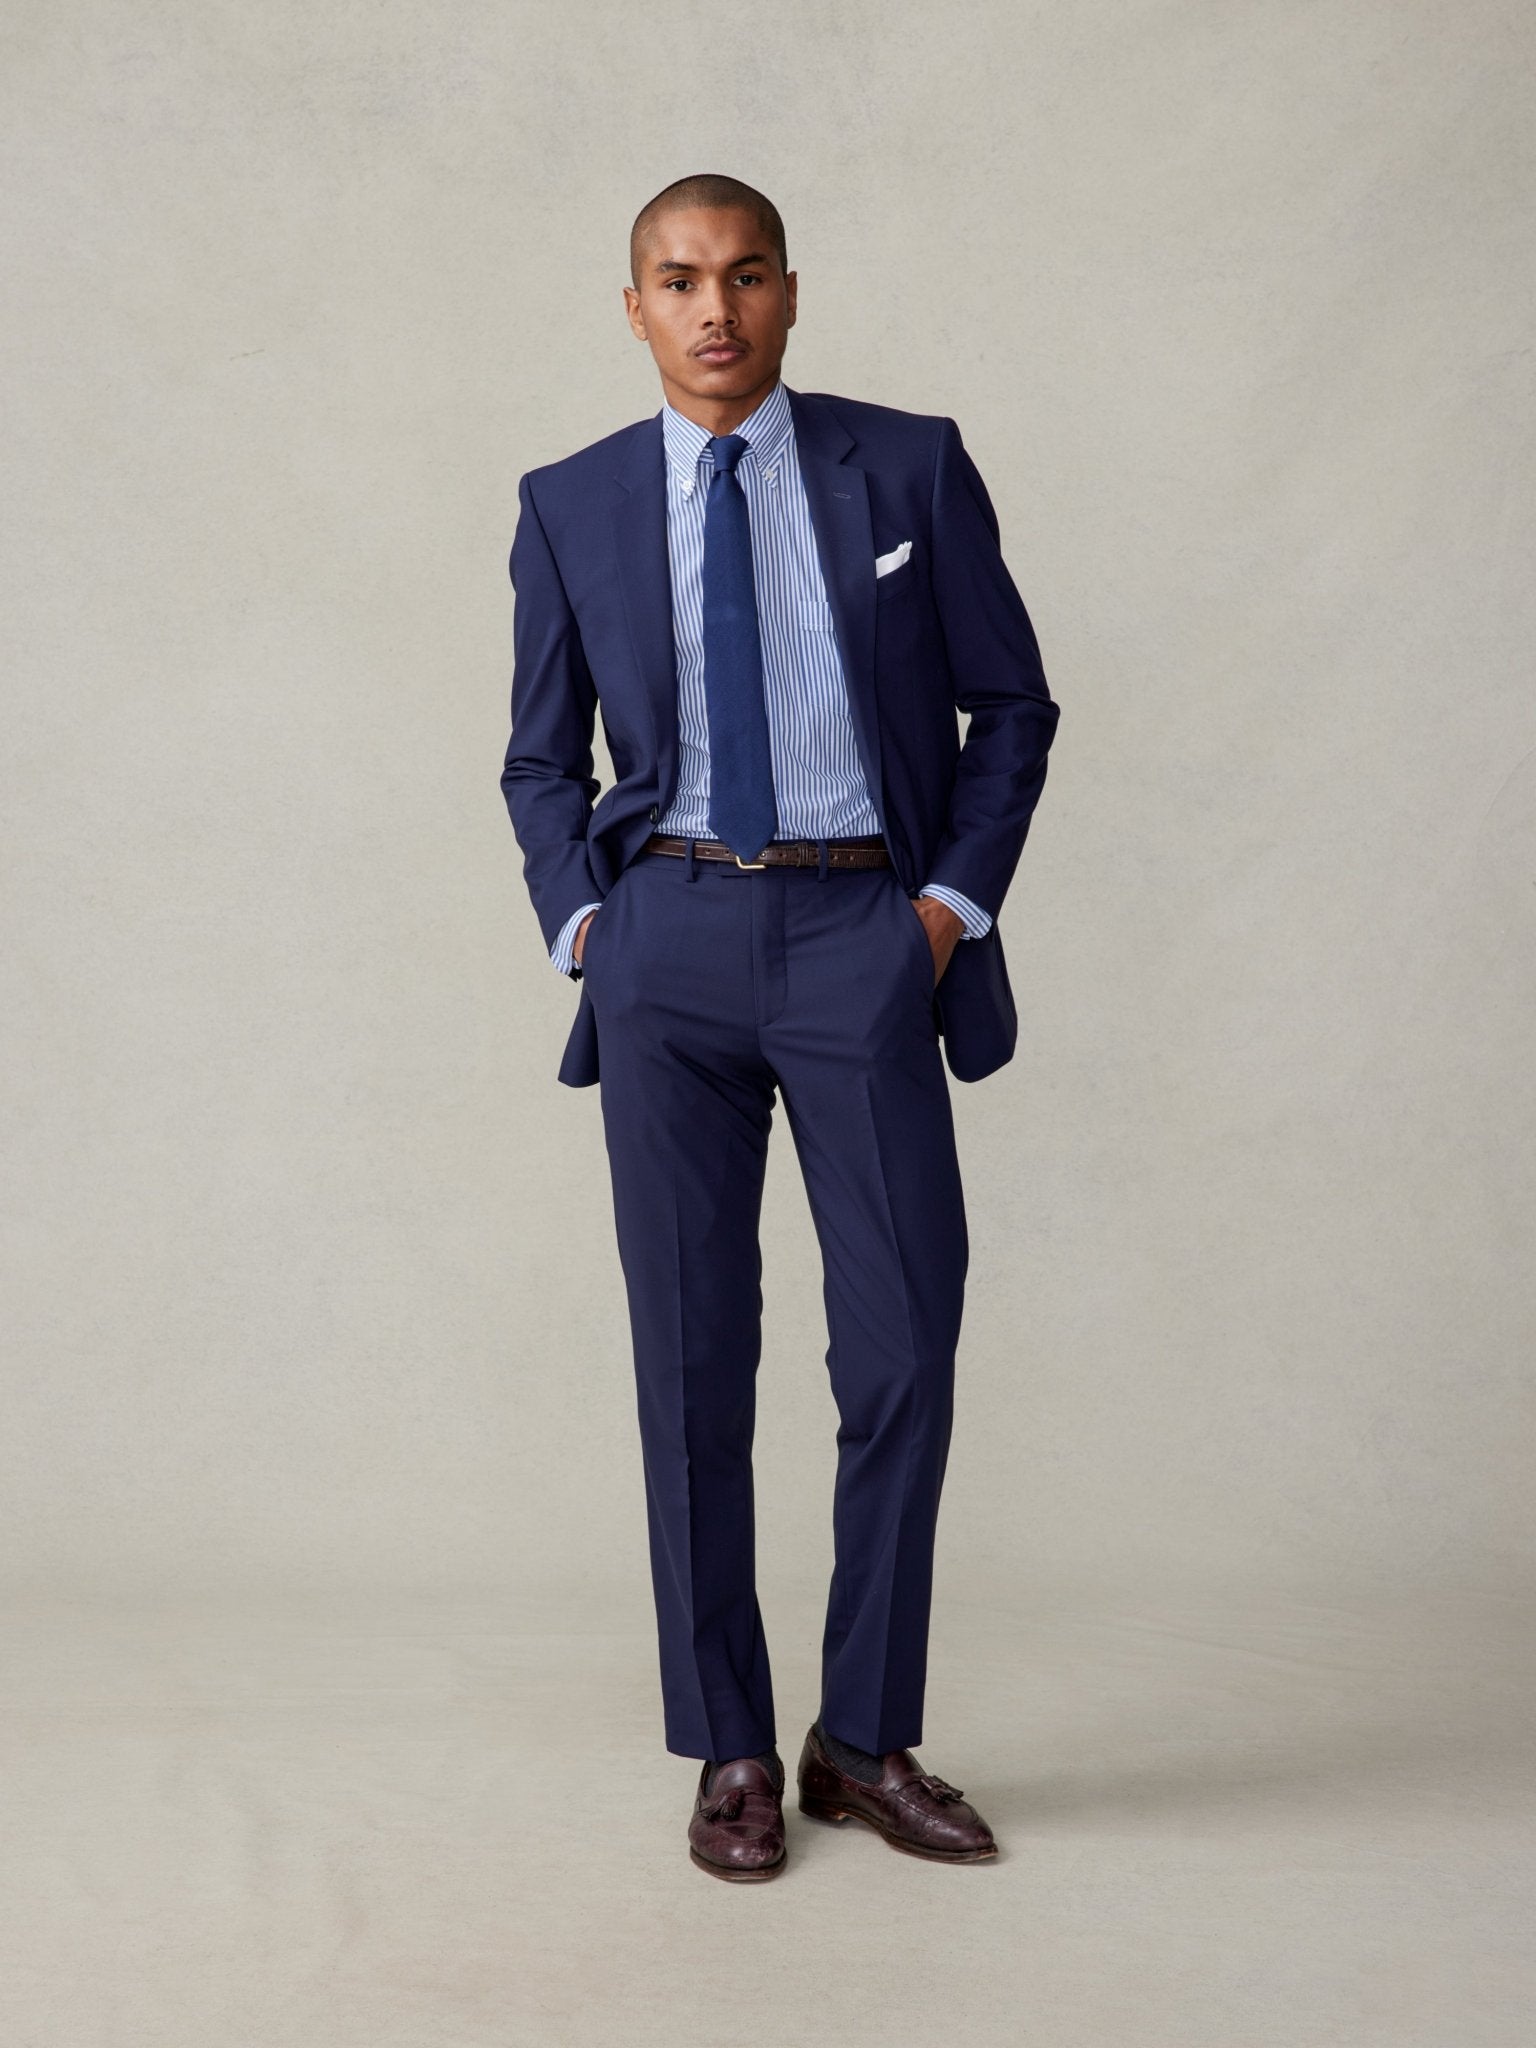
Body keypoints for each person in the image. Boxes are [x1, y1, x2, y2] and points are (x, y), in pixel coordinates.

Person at [499, 173, 1060, 1881]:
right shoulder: (571, 500)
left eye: (745, 277)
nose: (715, 310)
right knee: (691, 1360)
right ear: (636, 308)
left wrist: (945, 913)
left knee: (899, 1346)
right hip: (666, 940)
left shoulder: (904, 463)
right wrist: (589, 923)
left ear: (792, 296)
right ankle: (732, 1748)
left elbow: (1010, 700)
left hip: (856, 930)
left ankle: (862, 1738)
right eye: (679, 281)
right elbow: (541, 757)